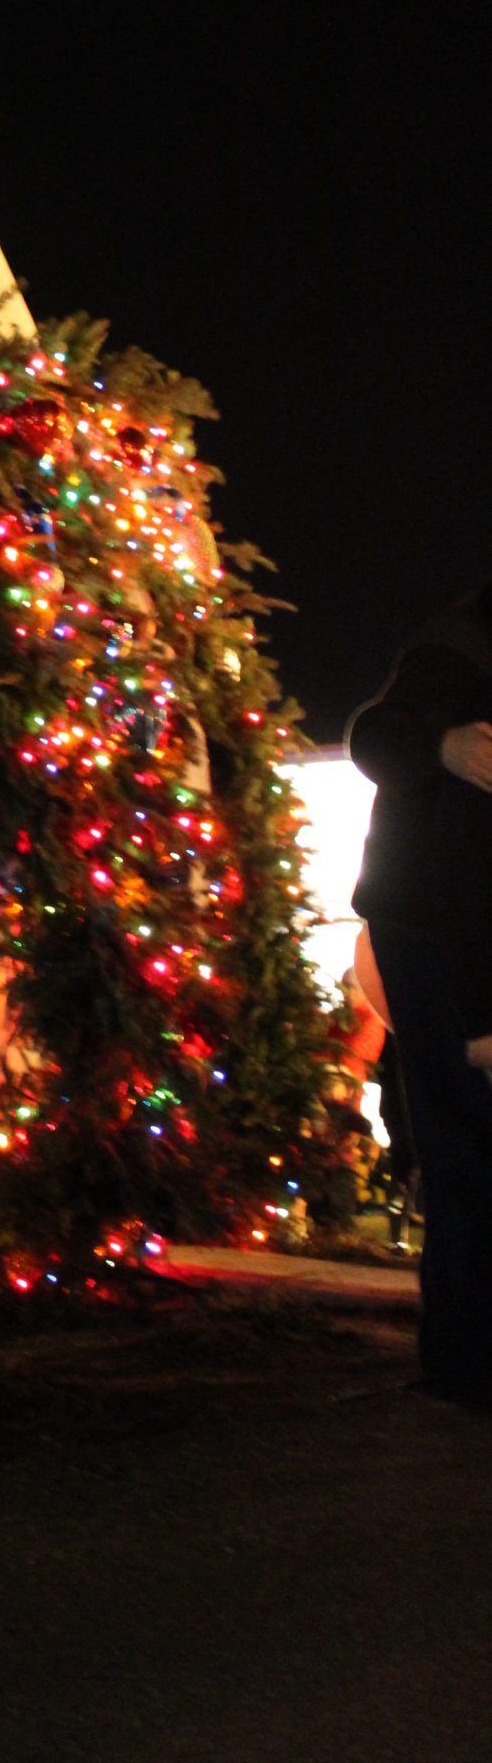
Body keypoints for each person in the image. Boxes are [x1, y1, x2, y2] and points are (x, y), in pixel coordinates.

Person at [350, 580, 492, 1401]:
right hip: (435, 934)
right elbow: (376, 735)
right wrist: (440, 744)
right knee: (464, 1146)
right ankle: (463, 1362)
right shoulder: (464, 645)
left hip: (457, 929)